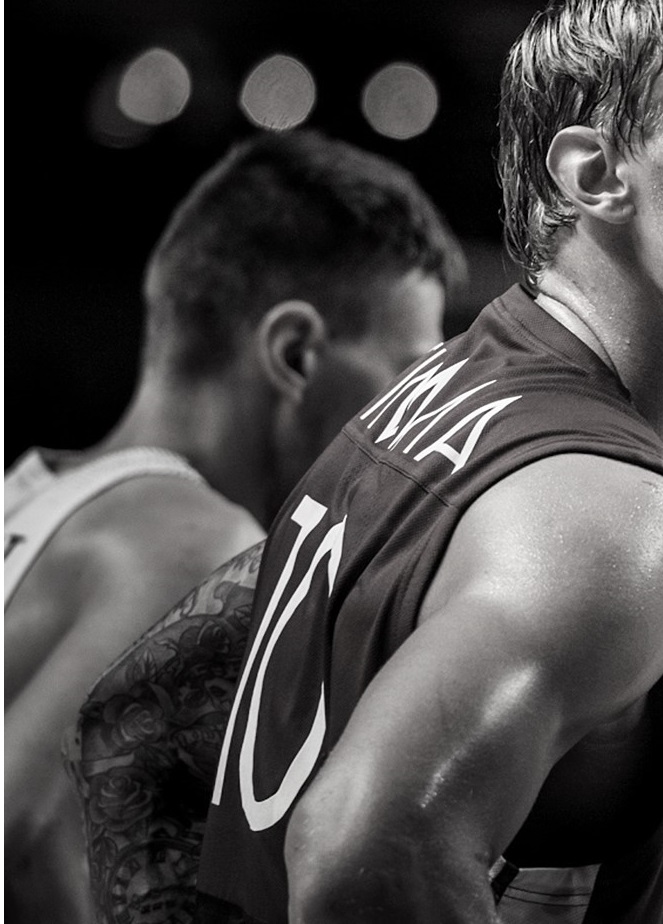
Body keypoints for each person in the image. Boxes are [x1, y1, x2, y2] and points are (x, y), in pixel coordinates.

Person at [110, 0, 663, 924]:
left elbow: (131, 722)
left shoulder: (431, 395)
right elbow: (361, 852)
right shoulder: (610, 519)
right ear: (597, 175)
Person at [6, 128, 466, 923]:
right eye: (407, 377)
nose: (413, 425)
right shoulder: (201, 546)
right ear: (296, 353)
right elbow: (26, 835)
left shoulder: (36, 494)